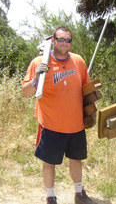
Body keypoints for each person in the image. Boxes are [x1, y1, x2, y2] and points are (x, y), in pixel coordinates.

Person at [22, 26, 97, 204]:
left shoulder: (78, 61)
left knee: (77, 159)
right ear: (53, 41)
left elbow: (86, 88)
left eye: (68, 40)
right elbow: (26, 92)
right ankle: (50, 197)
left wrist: (91, 110)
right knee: (49, 163)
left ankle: (79, 194)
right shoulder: (39, 62)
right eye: (60, 39)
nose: (64, 43)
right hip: (50, 124)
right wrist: (36, 78)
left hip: (75, 123)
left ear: (71, 42)